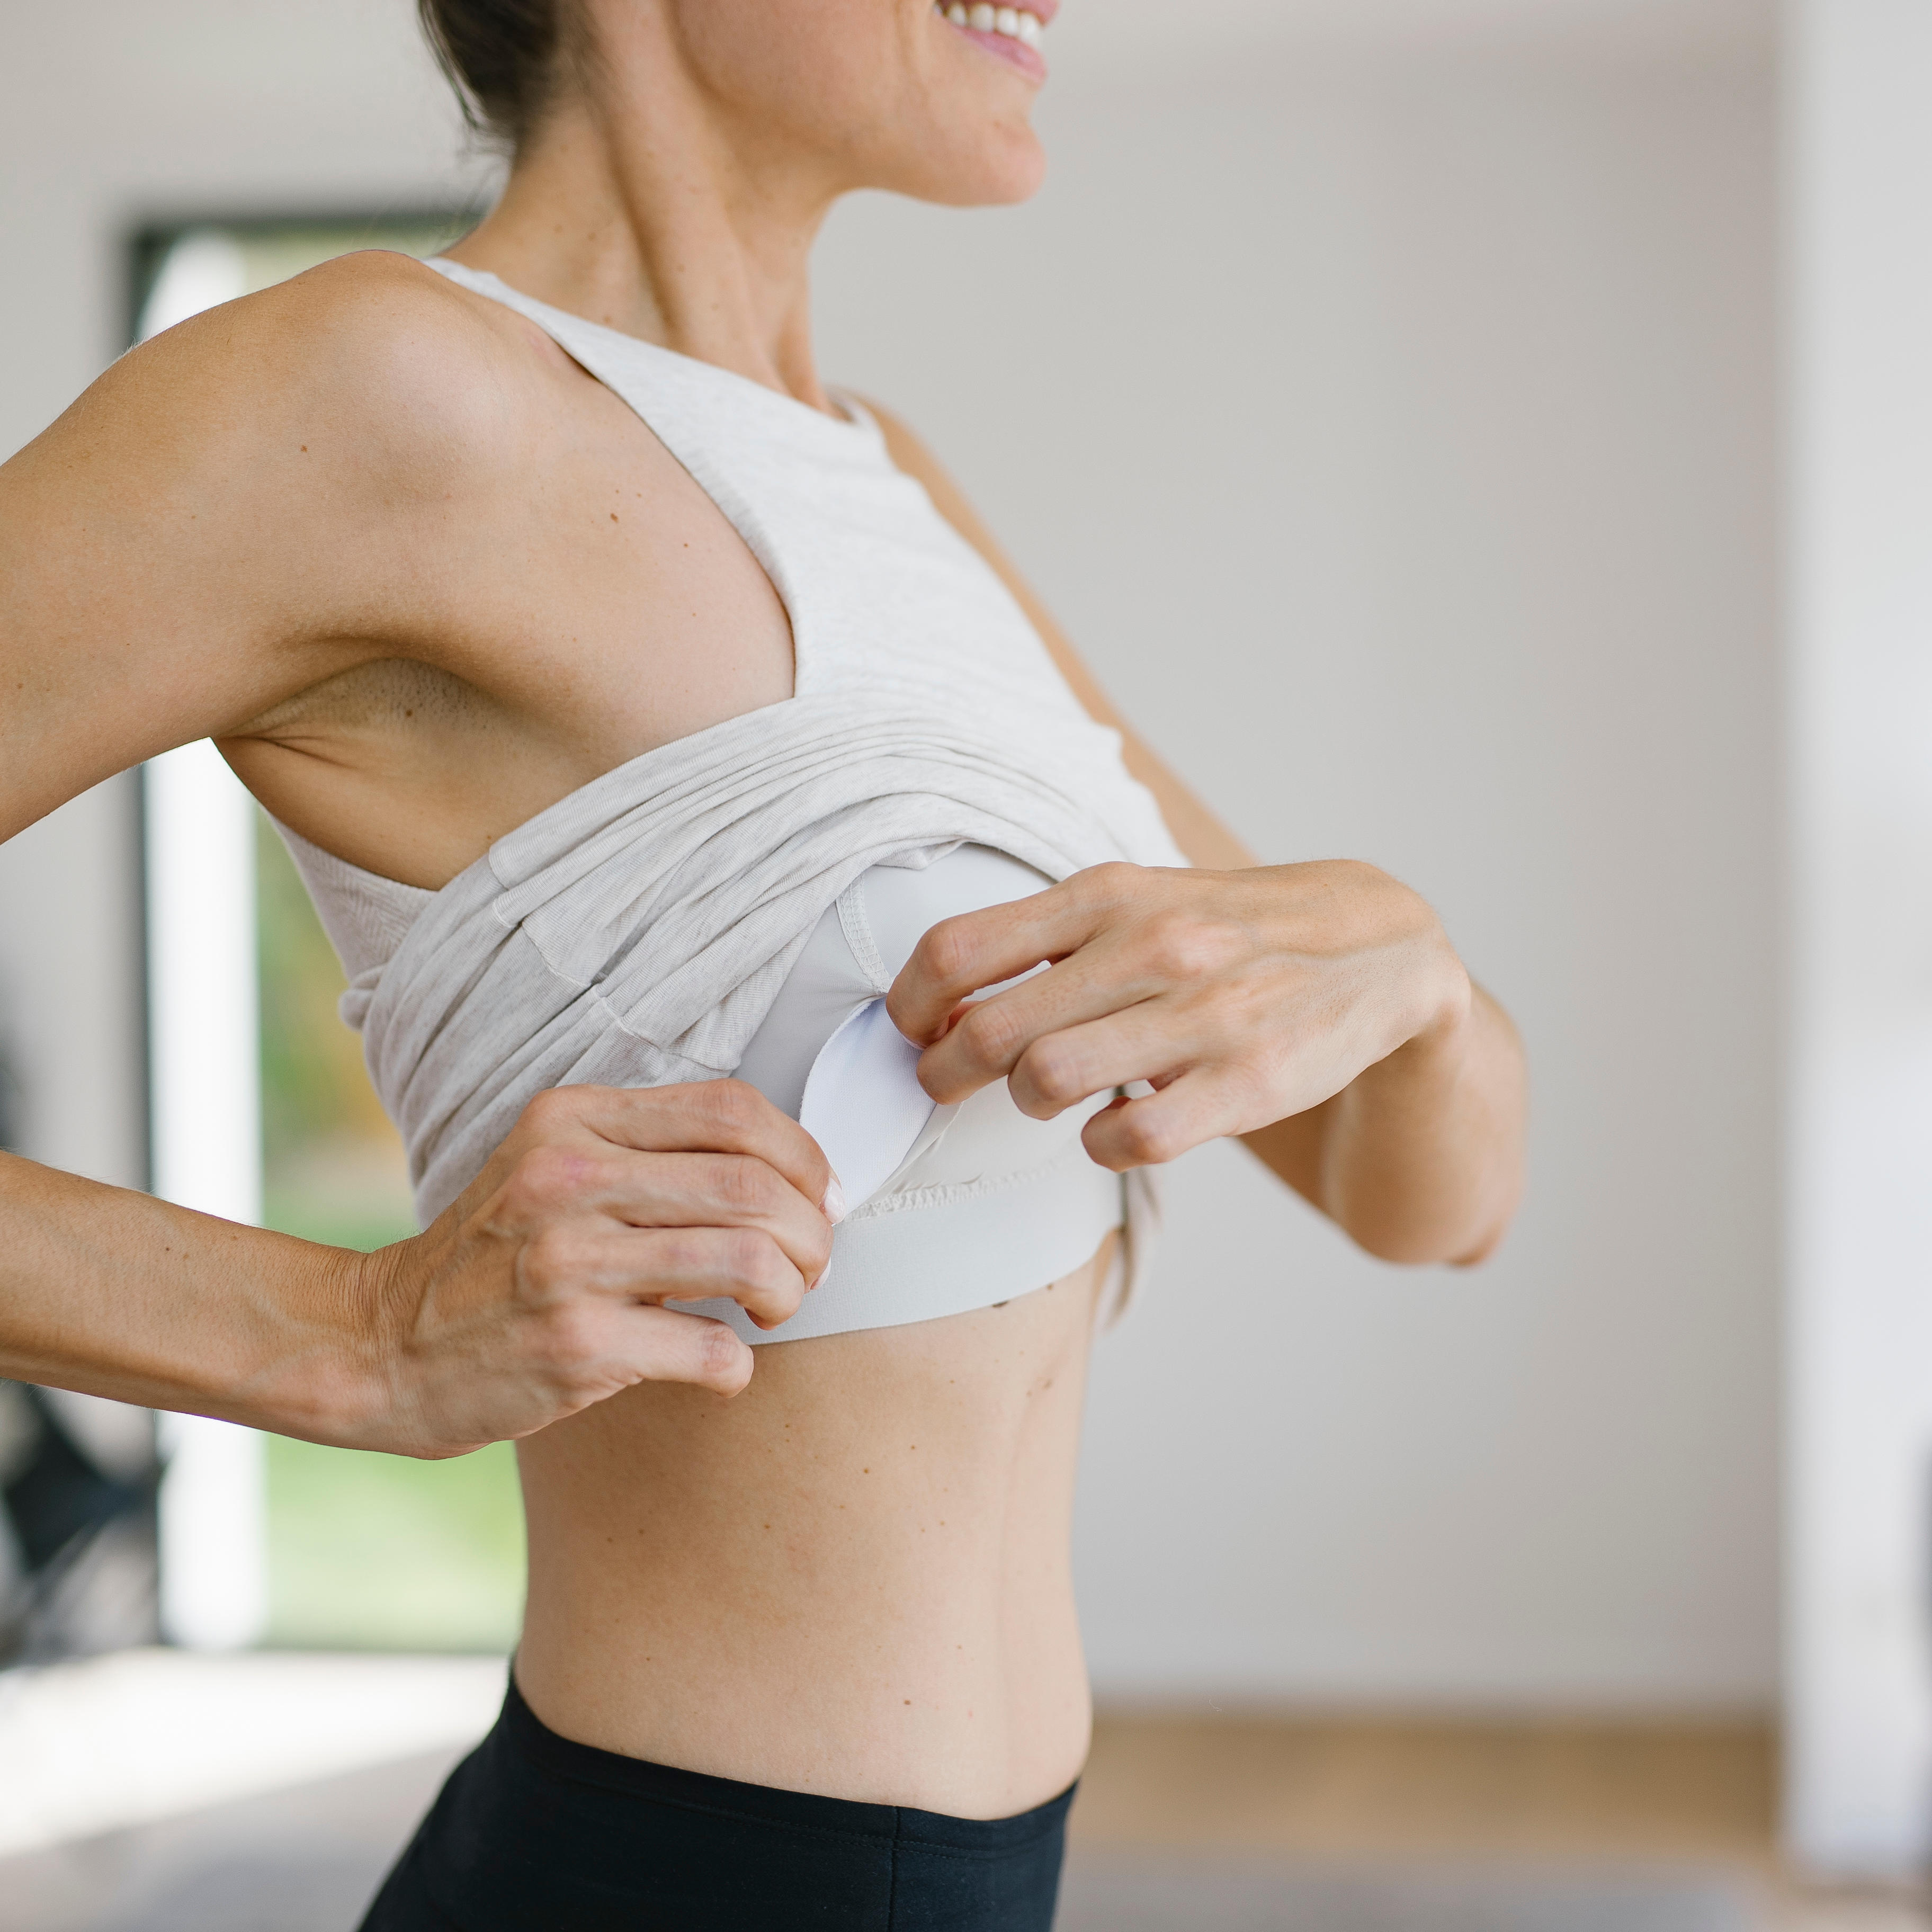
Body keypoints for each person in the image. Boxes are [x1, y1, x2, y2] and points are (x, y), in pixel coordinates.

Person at [0, 0, 1528, 1924]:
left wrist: (1415, 975)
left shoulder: (887, 485)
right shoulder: (380, 393)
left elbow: (1431, 1202)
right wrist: (346, 1337)